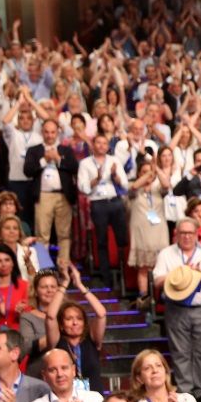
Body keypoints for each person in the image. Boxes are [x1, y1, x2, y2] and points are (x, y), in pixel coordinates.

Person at [154, 217, 201, 399]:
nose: (186, 237)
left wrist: (199, 272)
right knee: (180, 352)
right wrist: (179, 275)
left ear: (197, 234)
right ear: (176, 234)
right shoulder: (166, 254)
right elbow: (157, 280)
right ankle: (185, 391)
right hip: (176, 309)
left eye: (190, 233)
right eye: (182, 233)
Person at [23, 119, 78, 266]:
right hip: (43, 195)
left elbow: (74, 167)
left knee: (64, 234)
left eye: (53, 132)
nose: (49, 135)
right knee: (42, 234)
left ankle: (64, 268)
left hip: (63, 195)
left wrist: (58, 159)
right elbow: (28, 171)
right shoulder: (34, 150)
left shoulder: (66, 150)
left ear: (57, 133)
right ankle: (43, 269)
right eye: (46, 132)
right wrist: (44, 160)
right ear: (42, 133)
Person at [77, 132, 131, 286]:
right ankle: (105, 277)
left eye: (104, 143)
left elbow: (125, 185)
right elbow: (83, 188)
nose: (101, 146)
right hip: (98, 203)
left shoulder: (114, 161)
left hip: (115, 202)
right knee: (101, 241)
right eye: (98, 143)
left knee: (122, 239)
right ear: (93, 145)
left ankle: (124, 275)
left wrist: (115, 176)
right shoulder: (85, 163)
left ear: (108, 147)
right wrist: (97, 179)